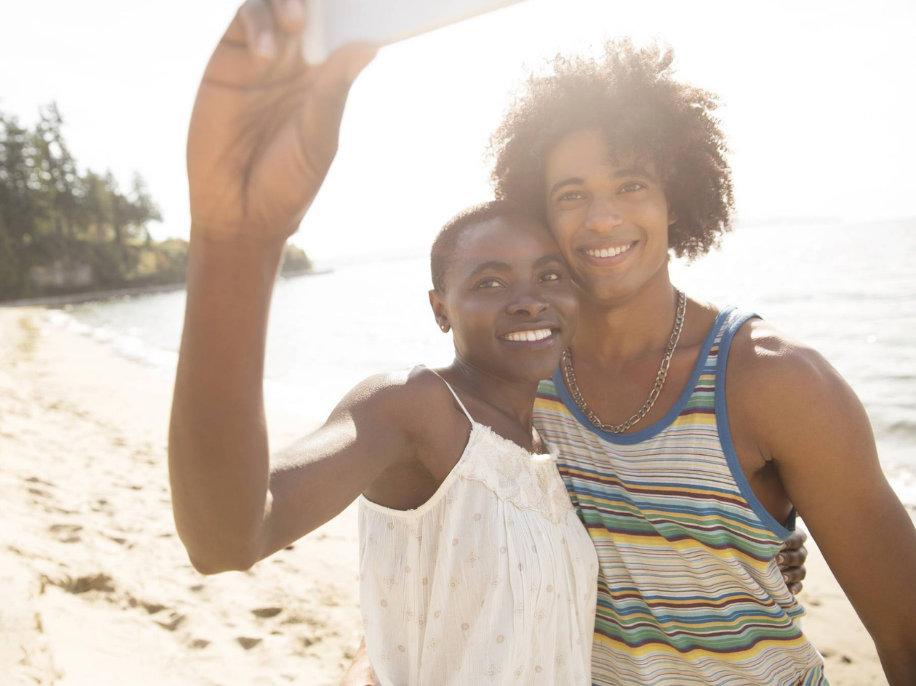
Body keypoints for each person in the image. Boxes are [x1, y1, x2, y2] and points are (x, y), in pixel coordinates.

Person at [343, 41, 916, 686]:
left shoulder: (776, 380)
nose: (603, 216)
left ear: (676, 199)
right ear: (543, 214)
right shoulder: (524, 375)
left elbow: (905, 633)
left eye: (632, 184)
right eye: (570, 194)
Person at [170, 3, 601, 683]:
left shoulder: (556, 443)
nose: (529, 297)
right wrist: (235, 241)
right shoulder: (414, 408)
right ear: (439, 310)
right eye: (490, 281)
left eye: (551, 274)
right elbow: (229, 537)